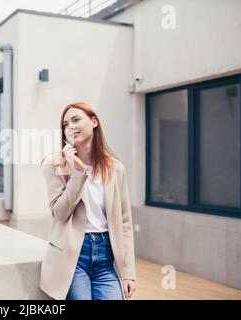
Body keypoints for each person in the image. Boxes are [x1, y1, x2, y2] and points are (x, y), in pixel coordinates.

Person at [40, 102, 137, 300]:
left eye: (76, 120)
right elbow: (59, 212)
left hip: (106, 257)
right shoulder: (55, 164)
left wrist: (129, 273)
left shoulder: (115, 168)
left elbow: (125, 223)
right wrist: (77, 172)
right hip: (73, 256)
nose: (70, 127)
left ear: (94, 121)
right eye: (66, 124)